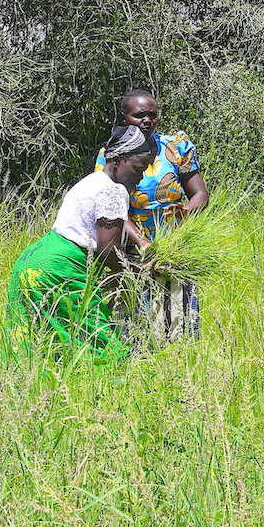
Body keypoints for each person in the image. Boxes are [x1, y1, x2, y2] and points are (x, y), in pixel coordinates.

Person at [4, 125, 156, 366]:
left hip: (36, 260)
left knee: (40, 340)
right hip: (60, 269)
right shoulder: (114, 191)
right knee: (103, 345)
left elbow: (114, 224)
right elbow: (108, 251)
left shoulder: (93, 180)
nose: (142, 175)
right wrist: (137, 274)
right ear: (119, 161)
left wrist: (142, 244)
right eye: (138, 168)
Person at [94, 89, 210, 342]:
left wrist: (187, 214)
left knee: (178, 316)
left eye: (152, 115)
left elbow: (200, 193)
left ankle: (180, 365)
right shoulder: (111, 155)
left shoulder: (175, 147)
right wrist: (143, 243)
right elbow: (112, 208)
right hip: (135, 249)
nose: (146, 121)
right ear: (125, 119)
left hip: (175, 245)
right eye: (139, 116)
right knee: (138, 319)